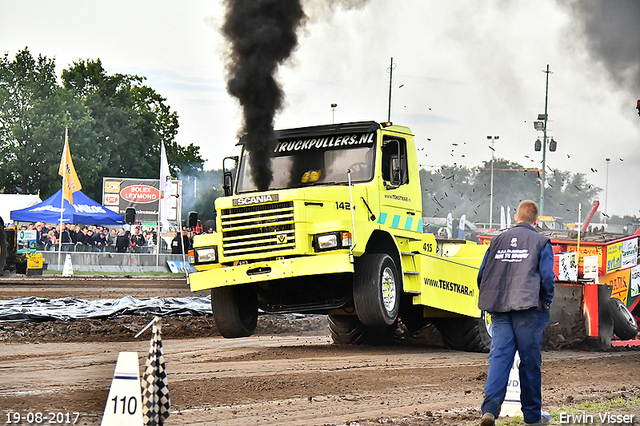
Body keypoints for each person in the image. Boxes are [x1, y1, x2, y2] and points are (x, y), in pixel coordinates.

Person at [477, 200, 555, 426]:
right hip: (528, 310)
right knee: (529, 363)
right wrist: (546, 301)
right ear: (536, 221)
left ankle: (490, 410)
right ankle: (532, 417)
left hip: (499, 308)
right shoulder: (541, 242)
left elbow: (482, 275)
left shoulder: (496, 241)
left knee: (500, 358)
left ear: (515, 217)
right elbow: (547, 278)